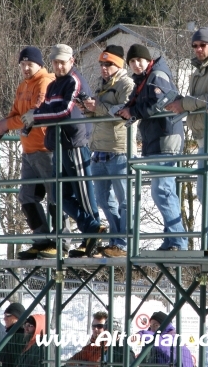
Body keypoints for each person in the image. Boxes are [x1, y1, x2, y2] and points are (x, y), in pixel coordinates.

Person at [22, 44, 105, 258]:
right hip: (57, 144)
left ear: (72, 61)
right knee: (59, 195)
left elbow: (64, 111)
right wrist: (33, 115)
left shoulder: (74, 81)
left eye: (62, 62)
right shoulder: (54, 85)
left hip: (74, 143)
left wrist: (36, 117)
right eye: (55, 62)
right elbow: (47, 108)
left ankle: (91, 236)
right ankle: (92, 229)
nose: (58, 66)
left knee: (84, 193)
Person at [0, 46, 67, 260]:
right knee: (26, 196)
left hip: (46, 149)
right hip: (29, 150)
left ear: (39, 65)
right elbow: (16, 113)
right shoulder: (23, 85)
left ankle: (61, 241)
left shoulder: (44, 82)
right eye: (23, 64)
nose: (26, 68)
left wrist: (8, 123)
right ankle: (41, 239)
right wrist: (4, 125)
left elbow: (32, 115)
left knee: (55, 197)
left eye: (30, 64)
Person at [165, 27, 208, 252]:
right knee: (205, 193)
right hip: (203, 140)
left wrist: (184, 103)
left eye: (202, 45)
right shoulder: (198, 70)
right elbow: (199, 100)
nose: (199, 49)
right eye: (195, 46)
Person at [116, 44, 188, 251]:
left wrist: (134, 112)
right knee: (164, 191)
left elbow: (162, 101)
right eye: (132, 61)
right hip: (156, 139)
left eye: (140, 60)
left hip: (166, 137)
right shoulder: (141, 80)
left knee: (163, 191)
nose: (136, 64)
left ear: (148, 60)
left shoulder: (156, 76)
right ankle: (172, 240)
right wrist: (125, 109)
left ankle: (178, 241)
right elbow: (135, 103)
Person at [77, 45, 135, 258]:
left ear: (119, 64)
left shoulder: (127, 84)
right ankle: (116, 241)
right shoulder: (102, 85)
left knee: (125, 200)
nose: (104, 67)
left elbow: (124, 113)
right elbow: (100, 115)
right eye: (102, 63)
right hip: (99, 149)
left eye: (109, 63)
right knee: (103, 200)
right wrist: (87, 110)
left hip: (119, 149)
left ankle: (124, 243)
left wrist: (97, 108)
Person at [66, 311, 131, 365]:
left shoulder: (120, 349)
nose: (95, 329)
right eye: (93, 326)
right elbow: (70, 363)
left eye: (99, 326)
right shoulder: (90, 348)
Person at [0, 302, 26, 367]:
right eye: (4, 316)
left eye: (8, 315)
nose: (4, 319)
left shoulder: (21, 335)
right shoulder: (11, 334)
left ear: (18, 317)